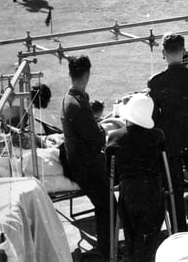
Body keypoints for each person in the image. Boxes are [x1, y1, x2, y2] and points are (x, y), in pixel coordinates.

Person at [147, 34, 188, 231]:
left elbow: (154, 117)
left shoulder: (155, 82)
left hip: (170, 140)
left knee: (174, 189)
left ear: (163, 53)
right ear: (183, 52)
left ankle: (179, 231)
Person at [60, 55, 113, 260]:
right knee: (109, 206)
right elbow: (98, 139)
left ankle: (105, 248)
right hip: (87, 167)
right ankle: (107, 253)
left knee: (105, 205)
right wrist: (101, 127)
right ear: (87, 74)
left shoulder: (70, 98)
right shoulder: (79, 104)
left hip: (79, 162)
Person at [105, 93, 166, 262]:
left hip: (129, 193)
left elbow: (111, 174)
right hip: (153, 191)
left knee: (132, 233)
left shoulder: (115, 137)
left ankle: (134, 255)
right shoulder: (158, 136)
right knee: (148, 234)